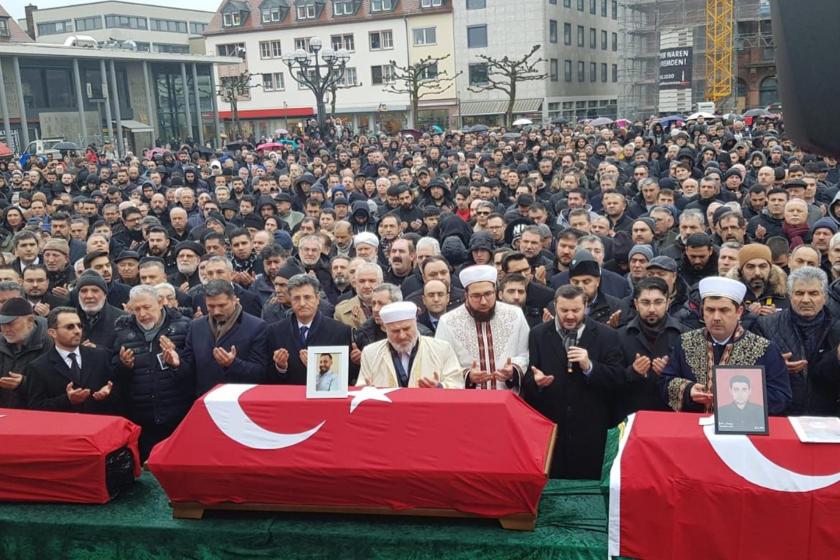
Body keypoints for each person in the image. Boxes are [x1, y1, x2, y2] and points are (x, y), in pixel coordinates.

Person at [523, 285, 625, 480]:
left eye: (576, 310)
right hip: (552, 431)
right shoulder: (538, 334)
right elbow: (529, 378)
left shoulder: (607, 335)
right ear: (555, 307)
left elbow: (618, 378)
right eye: (564, 310)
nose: (570, 316)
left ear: (586, 307)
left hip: (591, 432)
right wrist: (537, 382)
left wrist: (590, 367)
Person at [659, 276, 792, 414]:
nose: (716, 317)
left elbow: (781, 396)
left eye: (724, 310)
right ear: (702, 311)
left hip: (743, 428)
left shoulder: (764, 348)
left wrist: (738, 398)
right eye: (710, 310)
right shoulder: (685, 342)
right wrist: (688, 390)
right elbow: (666, 382)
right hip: (694, 426)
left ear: (739, 312)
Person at [113, 285, 192, 460]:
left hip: (177, 415)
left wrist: (176, 363)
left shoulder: (184, 326)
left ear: (160, 302)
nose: (142, 314)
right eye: (136, 309)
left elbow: (193, 370)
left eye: (147, 307)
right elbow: (115, 374)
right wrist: (123, 365)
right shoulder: (122, 331)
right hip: (142, 418)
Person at [754, 266, 840, 416]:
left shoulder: (837, 329)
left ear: (824, 296)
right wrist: (776, 367)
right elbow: (750, 374)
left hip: (827, 417)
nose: (806, 300)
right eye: (799, 293)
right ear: (789, 295)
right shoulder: (765, 325)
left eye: (813, 293)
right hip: (781, 415)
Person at [435, 265, 529, 391]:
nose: (483, 301)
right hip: (467, 401)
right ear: (466, 295)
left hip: (508, 399)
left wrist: (514, 369)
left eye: (488, 294)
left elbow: (526, 353)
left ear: (495, 291)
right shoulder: (448, 321)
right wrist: (467, 376)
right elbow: (441, 365)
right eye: (476, 296)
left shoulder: (515, 315)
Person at [176, 280, 268, 397]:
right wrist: (177, 363)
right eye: (211, 306)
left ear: (234, 300)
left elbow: (261, 372)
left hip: (240, 401)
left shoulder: (256, 326)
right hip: (206, 401)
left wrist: (232, 364)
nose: (216, 311)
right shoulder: (196, 327)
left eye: (222, 305)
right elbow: (189, 368)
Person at [24, 307, 117, 414]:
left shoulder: (100, 356)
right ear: (52, 333)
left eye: (79, 326)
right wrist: (67, 400)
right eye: (69, 327)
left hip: (98, 425)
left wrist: (107, 393)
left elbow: (116, 388)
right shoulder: (38, 367)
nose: (77, 331)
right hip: (62, 428)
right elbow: (36, 407)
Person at [267, 273, 355, 385]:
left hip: (324, 399)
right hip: (289, 398)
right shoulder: (275, 331)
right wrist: (280, 367)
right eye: (297, 298)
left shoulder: (340, 331)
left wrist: (316, 368)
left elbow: (346, 376)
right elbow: (266, 376)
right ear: (290, 300)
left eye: (307, 297)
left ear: (318, 299)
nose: (302, 303)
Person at [616, 277, 686, 416]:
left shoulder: (684, 336)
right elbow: (609, 381)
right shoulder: (619, 336)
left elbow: (695, 382)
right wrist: (632, 372)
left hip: (672, 417)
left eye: (658, 302)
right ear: (636, 304)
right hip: (632, 417)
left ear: (668, 303)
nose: (652, 309)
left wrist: (668, 375)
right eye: (645, 303)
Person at [358, 301, 462, 388]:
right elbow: (361, 387)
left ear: (416, 324)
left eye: (407, 329)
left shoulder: (441, 349)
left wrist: (439, 387)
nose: (402, 336)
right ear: (386, 329)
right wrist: (367, 391)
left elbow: (457, 384)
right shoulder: (370, 353)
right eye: (395, 331)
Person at [0, 296, 52, 409]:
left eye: (10, 324)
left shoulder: (51, 345)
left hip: (35, 417)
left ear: (30, 321)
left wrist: (24, 384)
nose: (5, 329)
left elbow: (58, 388)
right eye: (2, 324)